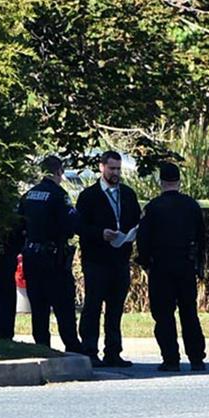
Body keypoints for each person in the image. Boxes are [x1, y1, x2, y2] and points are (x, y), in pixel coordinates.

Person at [136, 163, 207, 372]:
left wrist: (146, 262)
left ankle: (170, 359)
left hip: (161, 266)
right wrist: (199, 264)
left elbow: (143, 239)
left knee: (163, 314)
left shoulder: (153, 207)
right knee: (189, 312)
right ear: (179, 181)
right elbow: (201, 237)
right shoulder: (191, 205)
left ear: (161, 182)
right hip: (185, 264)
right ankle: (196, 358)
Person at [76, 150, 141, 368]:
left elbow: (135, 219)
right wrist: (100, 233)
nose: (115, 173)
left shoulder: (128, 194)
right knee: (93, 305)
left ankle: (113, 351)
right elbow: (80, 227)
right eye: (112, 168)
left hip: (120, 258)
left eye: (118, 169)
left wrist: (131, 234)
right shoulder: (89, 196)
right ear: (102, 167)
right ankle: (89, 350)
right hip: (96, 259)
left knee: (115, 308)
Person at [18, 156, 83, 353]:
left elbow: (20, 225)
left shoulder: (28, 195)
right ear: (58, 172)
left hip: (31, 255)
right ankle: (71, 345)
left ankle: (41, 346)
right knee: (63, 304)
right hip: (53, 258)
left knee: (38, 306)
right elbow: (72, 224)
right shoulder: (59, 195)